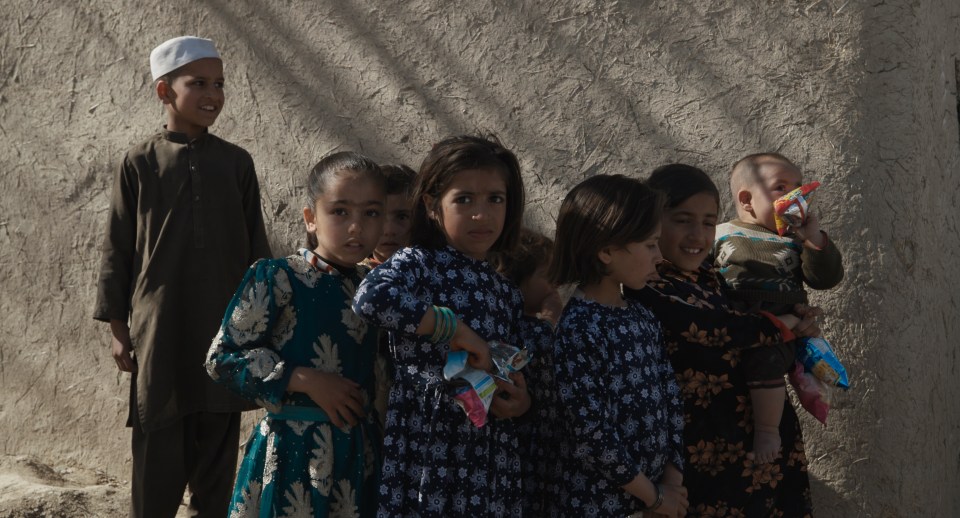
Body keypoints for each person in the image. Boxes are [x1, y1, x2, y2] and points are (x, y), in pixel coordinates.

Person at [93, 36, 271, 518]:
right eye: (199, 83)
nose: (213, 93)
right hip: (160, 326)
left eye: (219, 83)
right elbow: (118, 247)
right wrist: (117, 328)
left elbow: (257, 248)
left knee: (218, 437)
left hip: (225, 324)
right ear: (164, 91)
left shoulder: (237, 163)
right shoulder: (139, 162)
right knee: (158, 437)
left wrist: (263, 322)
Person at [352, 134, 532, 517]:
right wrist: (459, 331)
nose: (481, 214)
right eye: (463, 199)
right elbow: (371, 299)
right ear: (433, 206)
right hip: (428, 442)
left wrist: (519, 399)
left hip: (488, 455)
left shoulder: (505, 291)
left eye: (495, 199)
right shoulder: (419, 263)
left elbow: (510, 361)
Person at [626, 163, 817, 516]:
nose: (698, 235)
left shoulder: (711, 276)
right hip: (706, 450)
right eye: (683, 220)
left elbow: (748, 315)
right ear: (652, 223)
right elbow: (714, 328)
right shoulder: (649, 285)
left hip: (758, 446)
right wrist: (783, 323)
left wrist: (797, 319)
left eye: (709, 222)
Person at [205, 152, 386, 516]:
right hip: (291, 456)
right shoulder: (278, 278)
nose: (356, 227)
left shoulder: (377, 291)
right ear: (311, 218)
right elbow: (222, 358)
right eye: (340, 211)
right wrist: (302, 378)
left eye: (371, 213)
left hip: (356, 459)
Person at [546, 174, 688, 517]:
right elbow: (590, 433)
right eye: (650, 244)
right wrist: (652, 495)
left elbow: (671, 398)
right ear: (607, 250)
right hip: (600, 506)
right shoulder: (579, 329)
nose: (659, 256)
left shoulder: (641, 316)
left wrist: (672, 482)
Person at [714, 153, 843, 462]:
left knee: (766, 360)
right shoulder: (719, 234)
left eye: (798, 188)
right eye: (781, 188)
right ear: (746, 200)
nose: (794, 196)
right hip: (738, 323)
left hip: (782, 332)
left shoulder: (796, 242)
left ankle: (768, 430)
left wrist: (814, 239)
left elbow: (825, 279)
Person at [489, 227, 563, 516]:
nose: (557, 282)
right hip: (522, 449)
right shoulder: (520, 329)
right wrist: (550, 320)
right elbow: (532, 351)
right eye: (548, 275)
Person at [359, 163, 416, 429]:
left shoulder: (428, 275)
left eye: (402, 217)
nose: (389, 230)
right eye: (376, 215)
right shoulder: (352, 277)